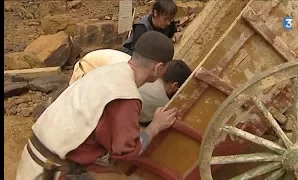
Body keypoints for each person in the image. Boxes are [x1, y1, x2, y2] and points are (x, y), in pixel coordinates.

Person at [16, 31, 178, 180]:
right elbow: (127, 153)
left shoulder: (106, 71)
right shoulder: (127, 95)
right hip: (53, 171)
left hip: (34, 157)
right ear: (158, 68)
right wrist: (155, 126)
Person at [69, 49, 192, 127]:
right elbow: (142, 123)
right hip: (86, 71)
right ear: (175, 86)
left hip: (94, 60)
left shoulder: (149, 73)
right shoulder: (156, 94)